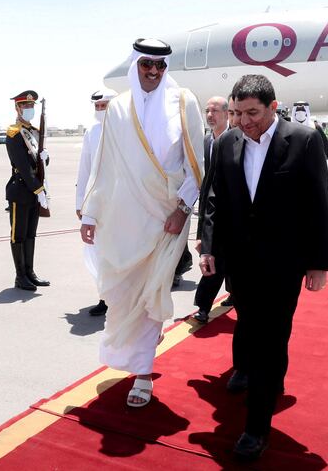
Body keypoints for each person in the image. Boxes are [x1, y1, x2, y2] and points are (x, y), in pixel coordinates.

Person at [199, 74, 328, 460]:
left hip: (283, 263)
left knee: (270, 338)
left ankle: (256, 429)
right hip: (239, 261)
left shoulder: (304, 140)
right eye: (237, 112)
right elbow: (214, 199)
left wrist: (318, 263)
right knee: (253, 328)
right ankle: (265, 378)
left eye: (252, 113)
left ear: (274, 108)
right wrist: (209, 247)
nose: (244, 121)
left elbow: (318, 205)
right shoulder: (227, 142)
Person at [80, 38, 204, 408]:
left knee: (154, 289)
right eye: (146, 65)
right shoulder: (118, 108)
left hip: (167, 216)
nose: (153, 72)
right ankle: (138, 350)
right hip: (123, 218)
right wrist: (90, 213)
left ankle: (144, 374)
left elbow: (196, 164)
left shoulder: (185, 102)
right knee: (122, 293)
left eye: (160, 66)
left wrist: (183, 208)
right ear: (136, 66)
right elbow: (104, 167)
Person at [76, 88, 117, 316]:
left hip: (121, 203)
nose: (100, 111)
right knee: (97, 253)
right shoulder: (91, 132)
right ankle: (104, 297)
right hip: (97, 203)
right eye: (97, 107)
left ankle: (120, 297)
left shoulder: (127, 130)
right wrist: (80, 202)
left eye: (104, 106)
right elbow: (84, 169)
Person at [5, 90, 50, 291]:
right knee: (19, 235)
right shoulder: (14, 133)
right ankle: (20, 276)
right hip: (21, 191)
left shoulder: (34, 131)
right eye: (25, 106)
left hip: (34, 190)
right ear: (17, 108)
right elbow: (23, 166)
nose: (29, 109)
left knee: (31, 234)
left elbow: (39, 164)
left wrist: (45, 158)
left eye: (32, 106)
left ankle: (30, 273)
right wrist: (38, 189)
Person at [192, 96, 230, 324]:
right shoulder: (207, 142)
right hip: (212, 214)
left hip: (234, 215)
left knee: (230, 262)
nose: (209, 115)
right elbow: (206, 187)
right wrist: (199, 234)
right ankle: (203, 307)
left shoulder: (237, 139)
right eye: (207, 110)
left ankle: (234, 295)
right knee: (213, 261)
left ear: (227, 114)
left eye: (215, 110)